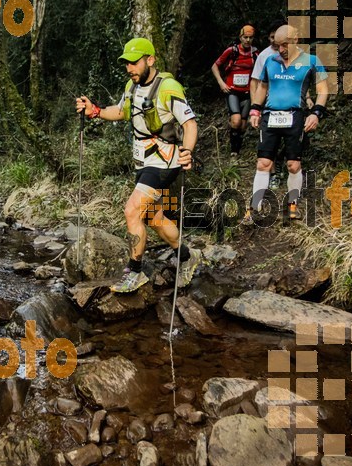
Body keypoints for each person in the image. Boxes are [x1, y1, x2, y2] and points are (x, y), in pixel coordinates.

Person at [76, 38, 201, 293]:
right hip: (143, 160)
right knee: (153, 217)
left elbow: (189, 124)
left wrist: (187, 151)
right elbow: (121, 112)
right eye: (126, 64)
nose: (130, 68)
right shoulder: (131, 86)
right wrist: (96, 111)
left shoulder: (168, 87)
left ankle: (135, 272)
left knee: (132, 210)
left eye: (134, 62)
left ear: (150, 60)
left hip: (166, 160)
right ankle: (188, 257)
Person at [246, 24, 328, 223]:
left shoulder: (311, 61)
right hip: (271, 116)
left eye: (285, 45)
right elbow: (262, 87)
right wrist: (255, 109)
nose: (281, 49)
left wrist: (316, 113)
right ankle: (254, 207)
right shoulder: (270, 61)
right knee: (264, 163)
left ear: (296, 40)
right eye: (277, 45)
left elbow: (323, 90)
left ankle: (292, 205)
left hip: (295, 117)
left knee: (293, 165)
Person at [211, 25, 259, 158]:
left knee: (243, 125)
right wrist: (221, 83)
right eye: (245, 37)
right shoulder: (232, 51)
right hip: (232, 91)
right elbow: (215, 66)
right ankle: (234, 152)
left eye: (250, 38)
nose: (248, 40)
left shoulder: (255, 53)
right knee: (236, 120)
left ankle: (238, 147)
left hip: (248, 92)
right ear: (240, 37)